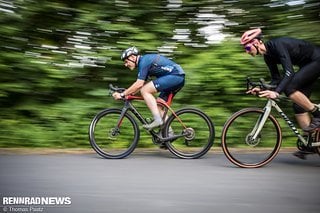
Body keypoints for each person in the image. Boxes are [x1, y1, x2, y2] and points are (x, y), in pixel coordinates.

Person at [240, 28, 320, 159]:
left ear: (257, 42)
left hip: (316, 60)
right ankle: (310, 143)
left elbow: (289, 73)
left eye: (248, 48)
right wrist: (260, 88)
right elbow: (276, 80)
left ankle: (318, 114)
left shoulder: (278, 45)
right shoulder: (268, 56)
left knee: (289, 89)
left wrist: (276, 93)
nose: (247, 51)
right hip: (307, 65)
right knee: (298, 105)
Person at [112, 46, 185, 130]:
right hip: (176, 78)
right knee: (158, 106)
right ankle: (168, 133)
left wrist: (122, 94)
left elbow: (139, 84)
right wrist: (128, 93)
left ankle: (157, 120)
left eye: (126, 61)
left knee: (145, 90)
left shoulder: (144, 61)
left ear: (132, 57)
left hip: (175, 76)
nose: (125, 64)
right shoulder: (144, 63)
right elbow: (141, 85)